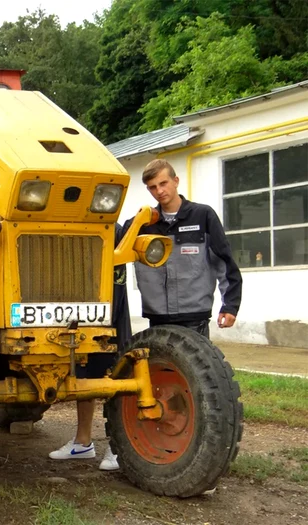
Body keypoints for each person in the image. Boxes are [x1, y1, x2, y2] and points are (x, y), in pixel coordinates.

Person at [48, 224, 131, 471]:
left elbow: (117, 282)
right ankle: (83, 442)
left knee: (118, 378)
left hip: (108, 319)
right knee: (84, 376)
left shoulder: (111, 229)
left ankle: (118, 447)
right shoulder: (62, 228)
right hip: (78, 315)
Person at [131, 158, 242, 337]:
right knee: (159, 365)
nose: (159, 191)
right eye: (152, 187)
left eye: (163, 183)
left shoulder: (203, 216)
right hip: (157, 318)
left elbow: (225, 263)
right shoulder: (142, 224)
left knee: (196, 365)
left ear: (176, 181)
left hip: (194, 319)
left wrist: (230, 305)